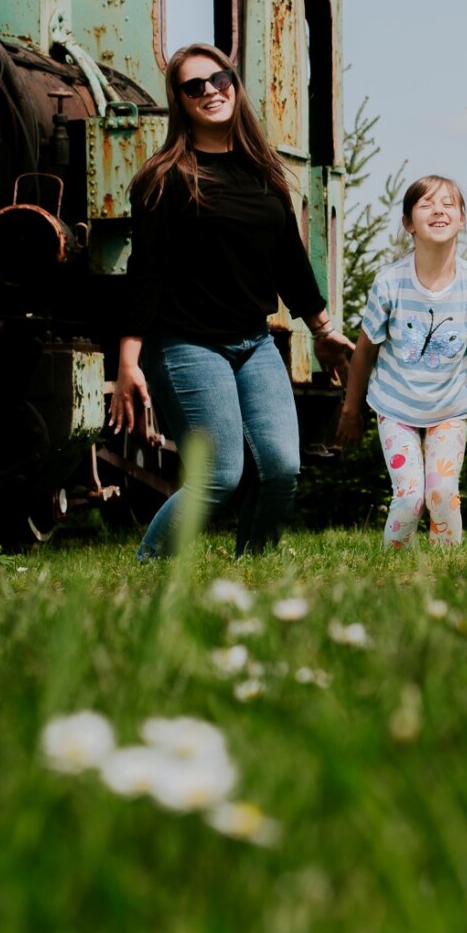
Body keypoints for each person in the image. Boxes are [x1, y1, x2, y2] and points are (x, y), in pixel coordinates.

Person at [113, 43, 349, 560]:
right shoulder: (165, 178)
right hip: (186, 344)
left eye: (219, 79)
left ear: (235, 85)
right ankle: (148, 569)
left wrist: (325, 330)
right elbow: (144, 275)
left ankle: (252, 572)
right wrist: (129, 361)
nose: (211, 92)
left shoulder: (263, 173)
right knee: (220, 478)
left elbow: (290, 261)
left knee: (283, 469)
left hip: (253, 341)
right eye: (194, 86)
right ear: (180, 102)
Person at [335, 176, 467, 548]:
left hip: (450, 407)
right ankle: (390, 570)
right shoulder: (390, 283)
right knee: (409, 497)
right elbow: (365, 352)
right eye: (426, 204)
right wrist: (350, 412)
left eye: (449, 204)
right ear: (409, 223)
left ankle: (446, 574)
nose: (439, 209)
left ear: (462, 219)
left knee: (441, 492)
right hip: (397, 405)